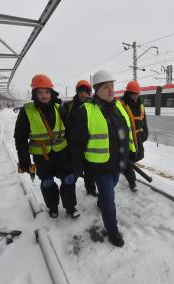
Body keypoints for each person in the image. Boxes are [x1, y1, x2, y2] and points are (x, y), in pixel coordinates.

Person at [69, 70, 136, 247]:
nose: (111, 90)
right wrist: (78, 167)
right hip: (100, 166)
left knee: (110, 190)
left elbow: (127, 130)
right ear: (96, 90)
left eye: (112, 86)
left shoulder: (119, 106)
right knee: (109, 199)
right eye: (106, 87)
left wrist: (132, 150)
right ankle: (113, 232)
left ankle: (101, 202)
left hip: (118, 164)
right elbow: (76, 143)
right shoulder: (86, 111)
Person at [14, 74, 80, 219]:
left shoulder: (59, 108)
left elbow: (70, 132)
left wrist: (74, 154)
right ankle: (53, 207)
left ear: (51, 93)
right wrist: (24, 159)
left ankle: (70, 206)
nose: (44, 95)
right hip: (41, 156)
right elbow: (20, 137)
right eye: (40, 92)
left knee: (69, 178)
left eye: (47, 92)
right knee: (47, 182)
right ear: (34, 93)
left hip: (62, 153)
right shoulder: (27, 111)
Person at [63, 80, 98, 197]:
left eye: (86, 92)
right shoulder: (68, 106)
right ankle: (70, 202)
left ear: (90, 93)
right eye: (81, 92)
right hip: (73, 147)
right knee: (74, 172)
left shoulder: (94, 106)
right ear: (77, 93)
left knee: (90, 170)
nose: (84, 95)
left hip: (89, 145)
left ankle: (91, 189)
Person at [118, 81, 148, 192]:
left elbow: (144, 120)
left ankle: (124, 169)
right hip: (127, 140)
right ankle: (132, 182)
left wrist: (145, 133)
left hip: (138, 138)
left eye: (137, 94)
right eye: (133, 94)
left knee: (137, 156)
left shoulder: (140, 105)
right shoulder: (122, 105)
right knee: (128, 160)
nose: (136, 96)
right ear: (128, 93)